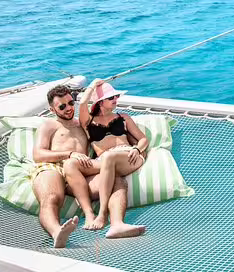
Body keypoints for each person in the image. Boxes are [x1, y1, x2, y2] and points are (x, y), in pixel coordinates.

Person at [32, 84, 145, 247]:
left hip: (81, 172)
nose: (68, 109)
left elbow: (109, 135)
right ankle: (58, 232)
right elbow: (38, 155)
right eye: (62, 106)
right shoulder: (49, 125)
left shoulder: (84, 124)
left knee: (117, 180)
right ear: (52, 109)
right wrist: (69, 154)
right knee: (51, 197)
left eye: (71, 103)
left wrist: (136, 148)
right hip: (53, 168)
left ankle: (117, 225)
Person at [78, 78, 148, 231]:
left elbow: (143, 139)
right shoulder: (88, 122)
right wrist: (92, 86)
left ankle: (102, 214)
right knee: (108, 162)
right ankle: (116, 224)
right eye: (111, 98)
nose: (115, 99)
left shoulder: (123, 118)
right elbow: (82, 104)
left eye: (116, 97)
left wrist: (136, 149)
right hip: (105, 160)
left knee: (109, 158)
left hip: (129, 156)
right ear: (100, 103)